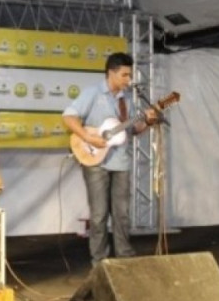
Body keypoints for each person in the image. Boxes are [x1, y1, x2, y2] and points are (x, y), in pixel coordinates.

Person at [61, 52, 157, 265]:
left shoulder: (128, 100)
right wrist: (88, 137)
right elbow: (68, 116)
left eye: (129, 75)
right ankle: (100, 261)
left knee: (122, 213)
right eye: (124, 75)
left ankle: (124, 258)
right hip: (96, 161)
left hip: (121, 161)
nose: (128, 80)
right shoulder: (93, 93)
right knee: (99, 215)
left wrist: (148, 121)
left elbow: (132, 130)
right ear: (111, 73)